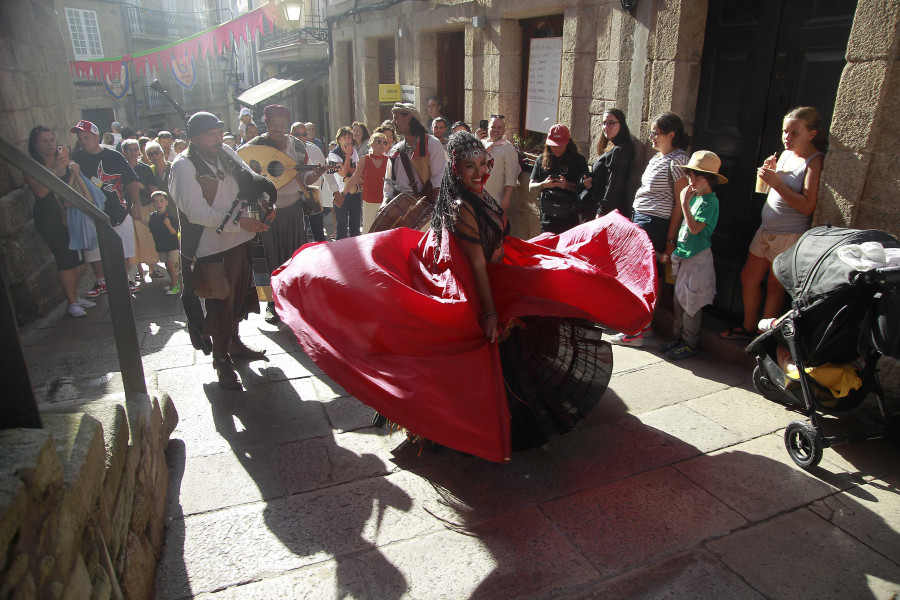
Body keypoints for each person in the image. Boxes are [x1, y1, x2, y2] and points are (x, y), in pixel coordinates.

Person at [270, 130, 657, 461]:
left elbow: (494, 245)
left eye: (482, 165)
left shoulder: (483, 197)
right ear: (455, 167)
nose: (478, 173)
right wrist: (489, 313)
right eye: (469, 167)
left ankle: (499, 419)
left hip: (498, 273)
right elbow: (474, 265)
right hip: (479, 284)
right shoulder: (459, 206)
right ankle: (463, 426)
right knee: (478, 350)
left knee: (567, 276)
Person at [169, 111, 273, 389]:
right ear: (194, 138)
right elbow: (195, 212)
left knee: (240, 296)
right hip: (209, 248)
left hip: (240, 239)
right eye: (209, 135)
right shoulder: (183, 166)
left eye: (218, 133)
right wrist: (241, 221)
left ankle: (235, 345)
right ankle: (221, 360)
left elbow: (251, 178)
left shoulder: (225, 151)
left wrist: (265, 201)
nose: (217, 139)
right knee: (220, 303)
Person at [720, 106, 825, 340]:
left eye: (794, 133)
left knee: (775, 286)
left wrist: (776, 183)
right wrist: (768, 177)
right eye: (785, 131)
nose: (787, 137)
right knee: (749, 277)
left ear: (812, 133)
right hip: (766, 229)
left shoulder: (814, 161)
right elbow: (771, 191)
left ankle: (762, 334)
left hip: (789, 234)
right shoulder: (786, 153)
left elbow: (807, 205)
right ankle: (748, 327)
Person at [610, 112, 690, 346]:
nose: (651, 137)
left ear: (671, 134)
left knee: (644, 276)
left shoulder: (678, 160)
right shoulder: (659, 157)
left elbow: (679, 203)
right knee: (638, 274)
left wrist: (670, 239)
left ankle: (637, 331)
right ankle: (644, 325)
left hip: (655, 223)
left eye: (656, 133)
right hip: (642, 219)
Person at [246, 105, 329, 322]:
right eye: (273, 124)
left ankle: (296, 298)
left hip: (294, 208)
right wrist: (263, 200)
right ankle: (273, 303)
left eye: (282, 125)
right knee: (271, 257)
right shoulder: (257, 146)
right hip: (268, 210)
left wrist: (317, 175)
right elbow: (247, 173)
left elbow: (305, 178)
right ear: (266, 123)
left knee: (295, 256)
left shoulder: (298, 147)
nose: (278, 128)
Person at [24, 126, 98, 317]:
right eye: (44, 140)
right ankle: (71, 302)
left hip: (69, 215)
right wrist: (56, 170)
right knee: (64, 259)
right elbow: (40, 192)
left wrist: (73, 169)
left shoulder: (63, 161)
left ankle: (74, 297)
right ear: (35, 144)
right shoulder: (32, 166)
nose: (50, 144)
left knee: (74, 258)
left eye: (52, 139)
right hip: (49, 217)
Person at [660, 151, 725, 359]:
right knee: (679, 300)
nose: (692, 180)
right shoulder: (695, 197)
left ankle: (690, 342)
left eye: (699, 176)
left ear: (710, 179)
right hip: (684, 257)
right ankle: (678, 336)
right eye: (690, 175)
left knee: (692, 303)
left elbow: (695, 228)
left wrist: (684, 204)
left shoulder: (710, 202)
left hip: (698, 260)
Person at [71, 119, 140, 297]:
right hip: (91, 212)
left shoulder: (114, 156)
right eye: (80, 138)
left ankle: (124, 278)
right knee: (94, 251)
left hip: (119, 209)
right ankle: (101, 281)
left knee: (124, 247)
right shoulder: (76, 158)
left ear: (96, 137)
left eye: (86, 137)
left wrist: (137, 205)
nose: (83, 141)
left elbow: (131, 181)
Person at [528, 124, 589, 234]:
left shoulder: (579, 161)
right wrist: (544, 185)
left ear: (568, 142)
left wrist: (567, 185)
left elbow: (586, 190)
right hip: (547, 218)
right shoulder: (542, 160)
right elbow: (531, 187)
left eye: (560, 145)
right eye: (553, 145)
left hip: (569, 218)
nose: (557, 148)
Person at [384, 102, 445, 206]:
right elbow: (389, 187)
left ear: (408, 118)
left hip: (425, 209)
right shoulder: (396, 150)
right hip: (401, 210)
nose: (393, 122)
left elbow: (438, 181)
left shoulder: (432, 144)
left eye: (396, 118)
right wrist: (384, 204)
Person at [122, 138, 160, 288]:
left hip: (145, 206)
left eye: (135, 149)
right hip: (128, 210)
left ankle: (152, 269)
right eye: (129, 150)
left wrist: (142, 186)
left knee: (148, 239)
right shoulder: (121, 168)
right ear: (124, 152)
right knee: (134, 242)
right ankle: (139, 270)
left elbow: (152, 187)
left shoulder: (144, 168)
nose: (133, 153)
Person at [582, 108, 634, 218]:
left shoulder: (619, 150)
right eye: (604, 123)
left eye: (611, 123)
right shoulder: (611, 147)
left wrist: (602, 210)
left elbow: (614, 184)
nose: (606, 127)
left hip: (607, 211)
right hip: (598, 205)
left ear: (621, 124)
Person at [340, 131, 393, 233]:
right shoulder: (365, 159)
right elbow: (354, 177)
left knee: (384, 232)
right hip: (369, 201)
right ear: (372, 143)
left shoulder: (389, 160)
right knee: (368, 231)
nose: (382, 145)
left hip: (385, 202)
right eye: (379, 142)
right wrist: (343, 193)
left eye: (384, 143)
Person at [325, 126, 361, 239]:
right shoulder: (333, 155)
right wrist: (348, 156)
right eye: (344, 137)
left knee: (355, 222)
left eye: (349, 137)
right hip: (340, 192)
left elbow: (358, 170)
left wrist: (346, 166)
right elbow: (344, 173)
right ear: (339, 140)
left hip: (355, 191)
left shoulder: (354, 151)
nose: (347, 140)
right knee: (342, 224)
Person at [477, 115, 519, 212]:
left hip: (495, 201)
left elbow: (511, 177)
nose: (496, 130)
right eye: (493, 127)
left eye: (499, 128)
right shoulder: (480, 144)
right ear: (488, 129)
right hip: (477, 197)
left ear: (504, 131)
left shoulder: (508, 149)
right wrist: (476, 139)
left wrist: (506, 198)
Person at [148, 191, 181, 295]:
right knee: (167, 265)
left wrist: (168, 225)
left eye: (162, 201)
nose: (159, 203)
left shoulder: (170, 216)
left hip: (172, 245)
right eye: (156, 201)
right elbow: (150, 227)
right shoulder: (153, 216)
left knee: (170, 264)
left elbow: (174, 232)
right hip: (161, 245)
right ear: (152, 204)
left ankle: (176, 285)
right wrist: (139, 219)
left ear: (167, 202)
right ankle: (173, 283)